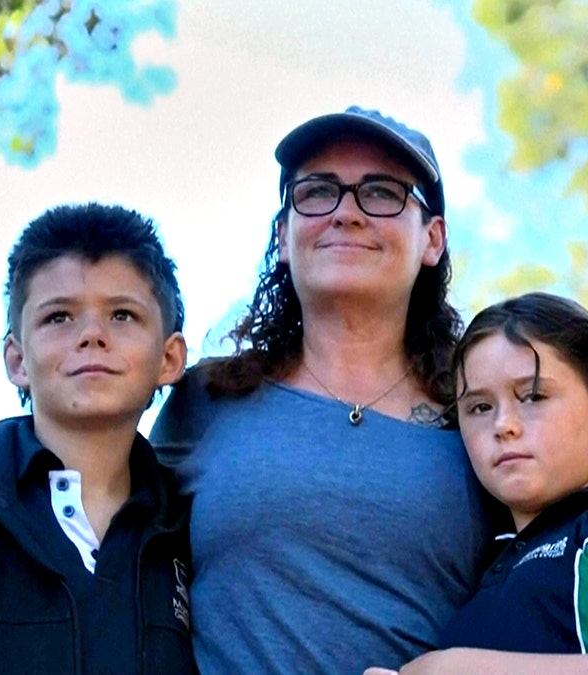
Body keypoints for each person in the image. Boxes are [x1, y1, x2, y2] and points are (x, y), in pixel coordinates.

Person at [149, 106, 497, 674]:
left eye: (382, 193)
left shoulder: (480, 419)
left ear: (432, 239)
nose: (347, 214)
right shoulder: (206, 400)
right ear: (284, 234)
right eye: (318, 191)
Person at [367, 292, 588, 675]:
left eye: (533, 396)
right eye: (480, 407)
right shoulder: (479, 569)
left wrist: (448, 669)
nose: (504, 425)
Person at [0, 203, 193, 675]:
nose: (92, 335)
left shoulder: (196, 533)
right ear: (17, 361)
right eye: (58, 318)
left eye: (122, 315)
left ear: (169, 357)